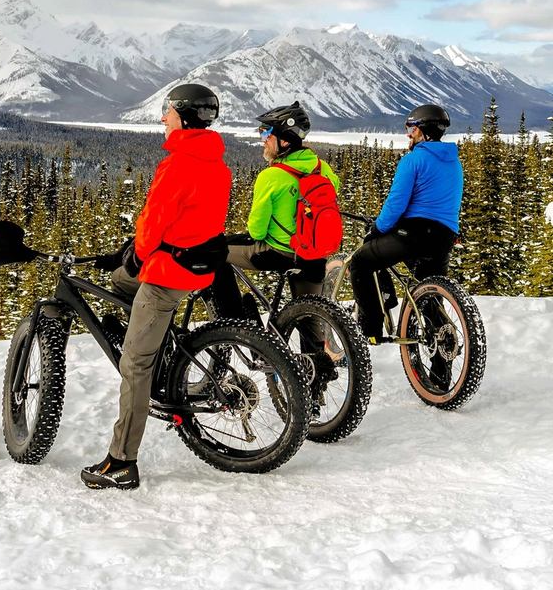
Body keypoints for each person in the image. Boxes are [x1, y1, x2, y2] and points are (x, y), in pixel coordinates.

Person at [81, 83, 231, 490]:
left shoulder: (178, 163)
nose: (163, 117)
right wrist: (134, 256)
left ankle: (121, 462)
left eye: (167, 110)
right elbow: (189, 220)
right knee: (119, 281)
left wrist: (138, 250)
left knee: (134, 365)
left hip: (168, 275)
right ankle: (154, 337)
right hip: (196, 266)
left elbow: (152, 223)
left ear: (182, 116)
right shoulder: (215, 162)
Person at [210, 101, 340, 371]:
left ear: (284, 140)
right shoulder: (323, 169)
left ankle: (242, 328)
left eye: (265, 133)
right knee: (309, 318)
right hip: (314, 256)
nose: (263, 140)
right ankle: (316, 385)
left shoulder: (272, 176)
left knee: (214, 253)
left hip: (278, 254)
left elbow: (257, 231)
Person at [350, 103, 463, 348]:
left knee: (361, 262)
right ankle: (440, 371)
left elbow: (395, 204)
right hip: (444, 236)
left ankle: (369, 329)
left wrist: (377, 230)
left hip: (414, 234)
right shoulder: (453, 162)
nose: (408, 133)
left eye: (410, 127)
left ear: (424, 131)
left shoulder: (413, 160)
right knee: (430, 296)